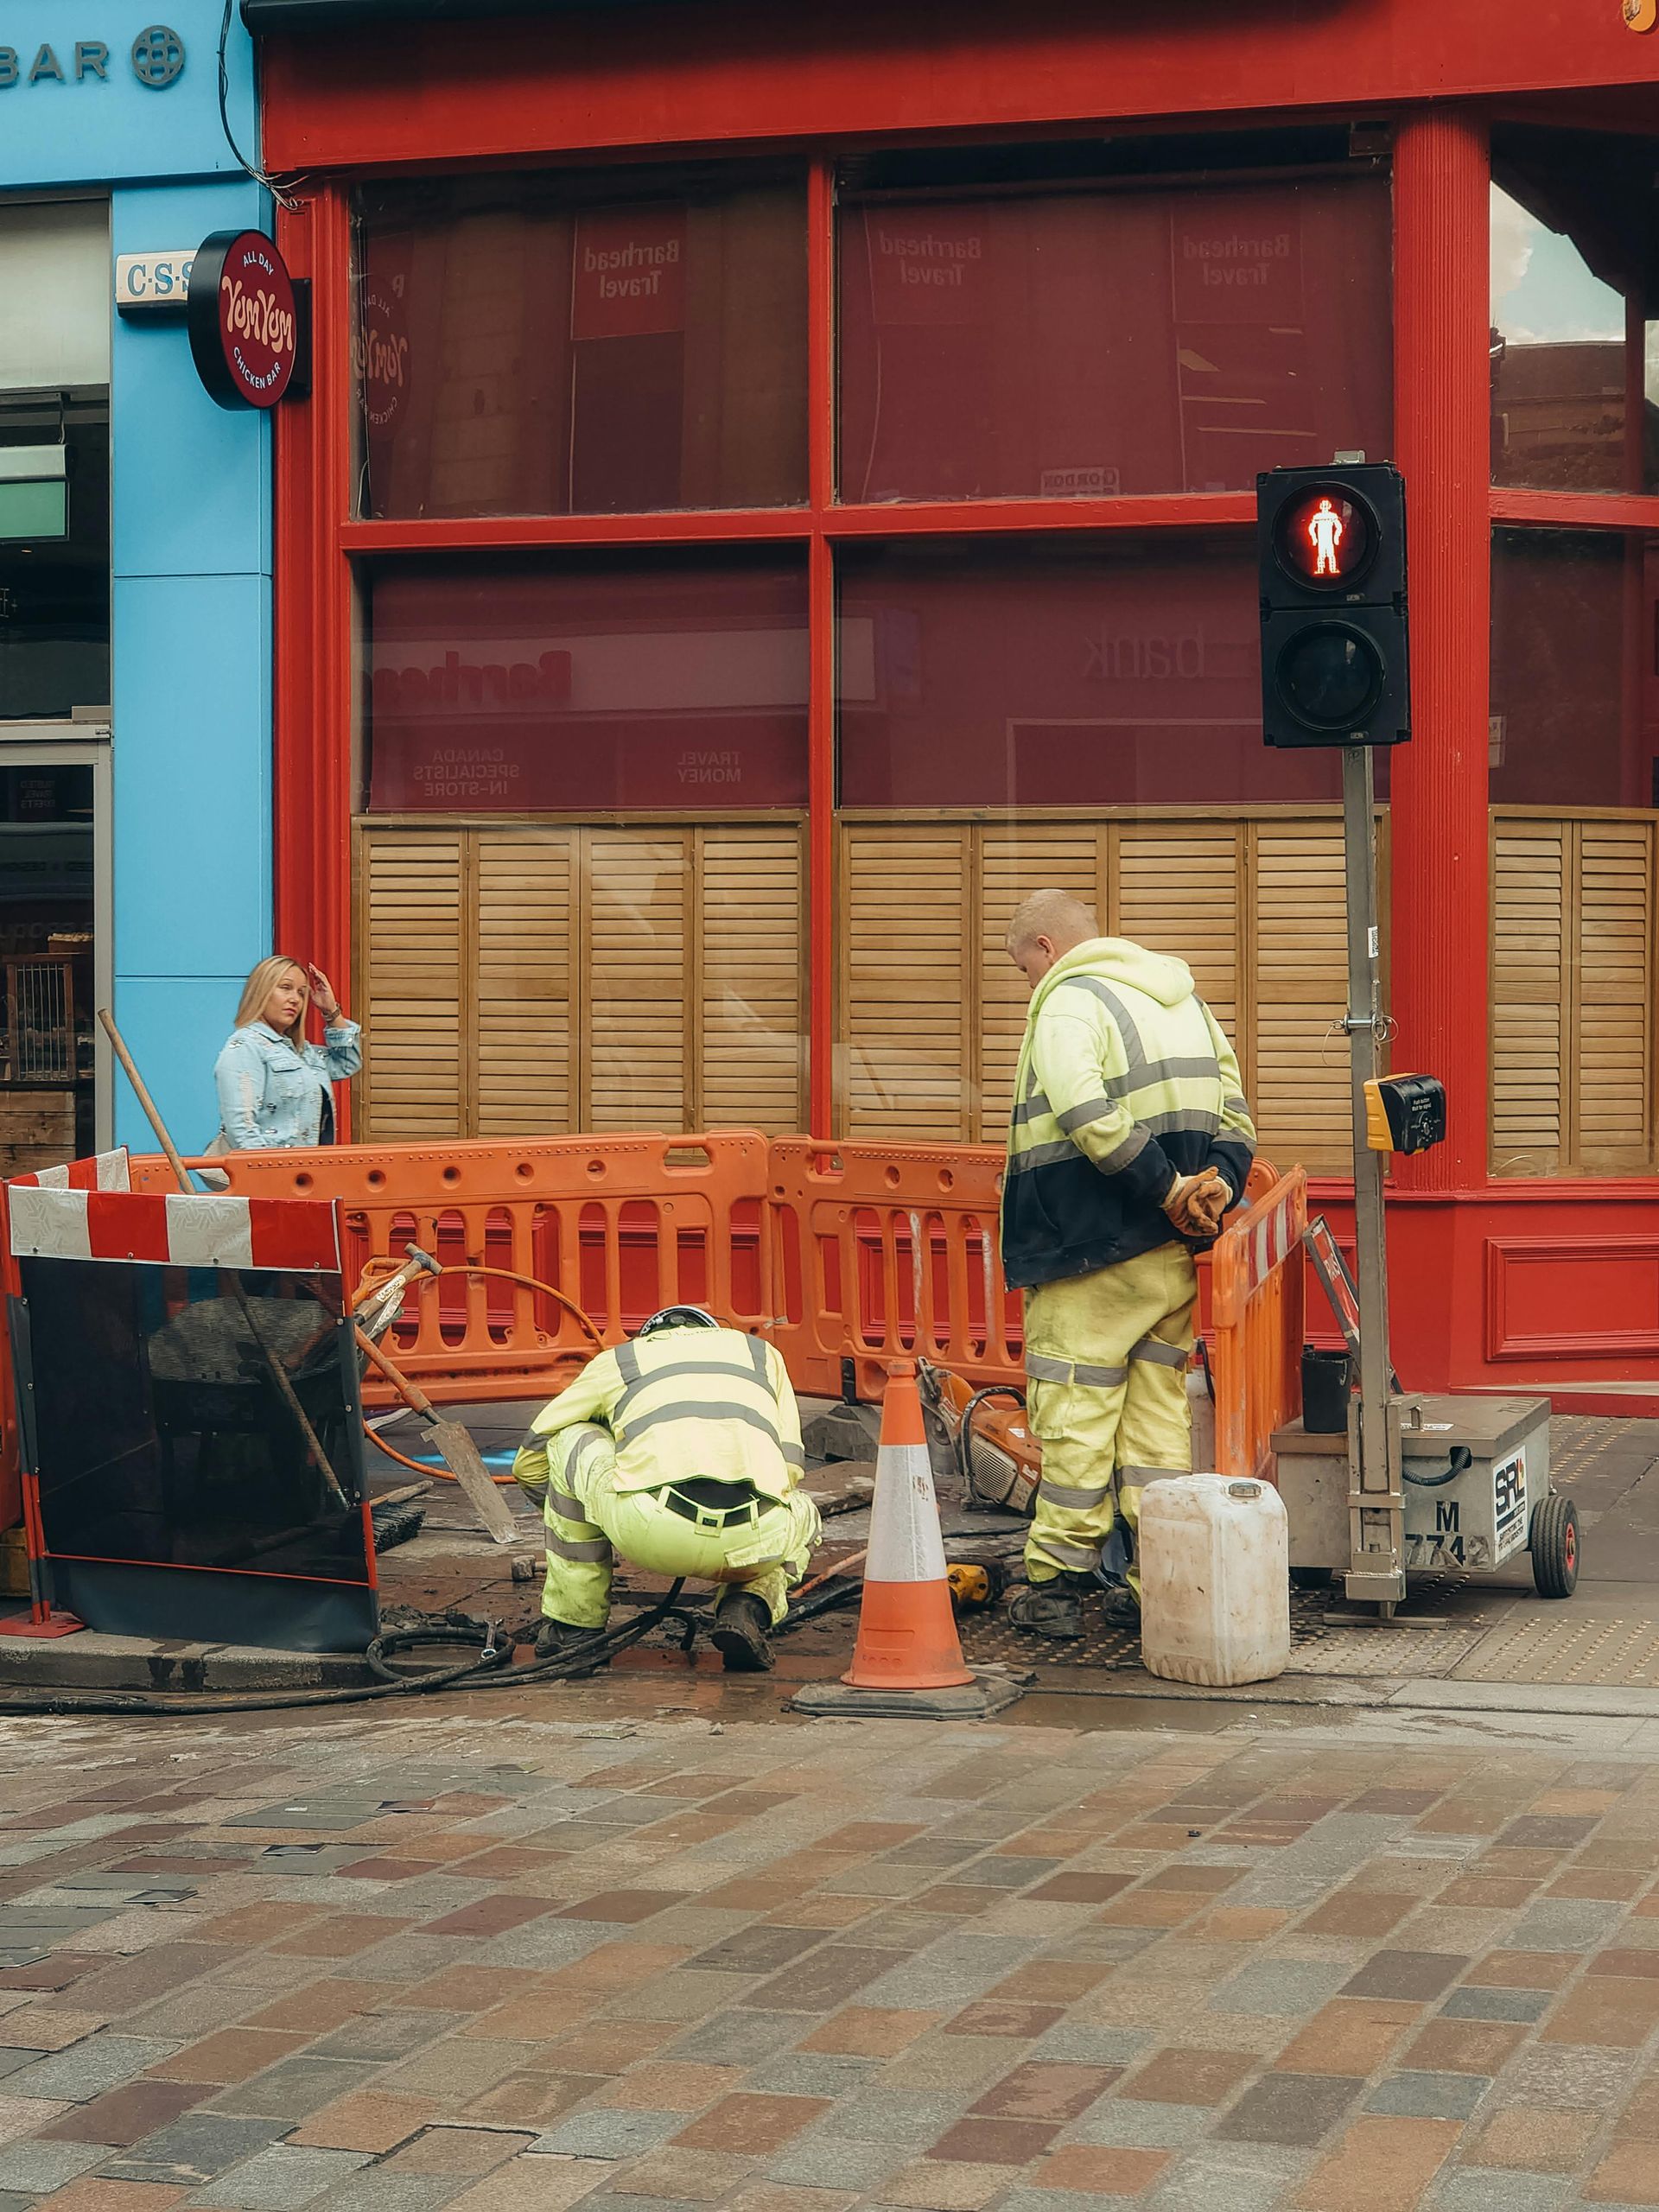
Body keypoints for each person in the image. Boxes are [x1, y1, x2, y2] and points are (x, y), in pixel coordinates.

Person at [1000, 889, 1256, 1637]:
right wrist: (1212, 1190)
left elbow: (1082, 1109)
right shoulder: (1186, 1001)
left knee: (1075, 1412)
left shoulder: (1068, 1001)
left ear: (1046, 947)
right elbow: (1236, 1116)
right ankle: (1158, 1577)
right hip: (1171, 1252)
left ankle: (1055, 1581)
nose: (1028, 983)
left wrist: (1167, 1188)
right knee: (1154, 1423)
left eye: (1023, 968)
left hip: (1087, 1247)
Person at [511, 1306, 821, 1672]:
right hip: (756, 1542)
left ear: (647, 1337)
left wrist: (582, 1513)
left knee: (568, 1440)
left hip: (650, 1529)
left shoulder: (621, 1360)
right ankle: (747, 1605)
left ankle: (574, 1628)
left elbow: (530, 1458)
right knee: (802, 1511)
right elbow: (789, 1468)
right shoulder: (763, 1355)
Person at [212, 957, 361, 1153]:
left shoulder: (302, 1052)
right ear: (261, 991)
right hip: (272, 1176)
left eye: (301, 993)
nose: (295, 999)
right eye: (285, 987)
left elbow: (347, 1062)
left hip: (306, 1173)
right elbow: (241, 1129)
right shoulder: (246, 1046)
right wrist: (274, 1175)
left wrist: (331, 1011)